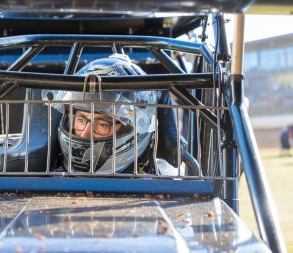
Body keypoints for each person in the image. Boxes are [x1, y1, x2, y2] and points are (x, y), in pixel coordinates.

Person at [43, 54, 198, 175]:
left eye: (102, 124)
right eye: (81, 120)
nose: (85, 134)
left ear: (135, 129)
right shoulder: (41, 174)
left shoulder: (164, 185)